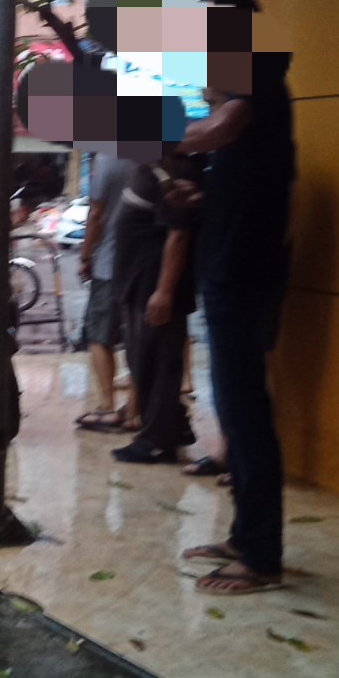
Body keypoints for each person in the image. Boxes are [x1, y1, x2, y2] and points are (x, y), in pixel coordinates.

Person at [164, 0, 296, 596]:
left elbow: (217, 130)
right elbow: (245, 176)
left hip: (243, 273)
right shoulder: (244, 90)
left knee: (246, 414)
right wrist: (202, 196)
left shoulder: (259, 79)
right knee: (235, 411)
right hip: (227, 268)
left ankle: (262, 558)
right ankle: (246, 537)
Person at [110, 152, 204, 464]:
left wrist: (164, 291)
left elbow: (179, 233)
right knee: (141, 358)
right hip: (138, 279)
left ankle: (157, 441)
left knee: (157, 360)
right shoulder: (150, 167)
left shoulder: (176, 169)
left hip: (153, 282)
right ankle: (174, 425)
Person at [75, 152, 139, 432]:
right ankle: (134, 410)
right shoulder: (158, 153)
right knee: (138, 338)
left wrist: (85, 255)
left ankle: (107, 406)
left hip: (110, 263)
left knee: (99, 336)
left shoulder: (107, 158)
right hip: (145, 264)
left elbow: (97, 214)